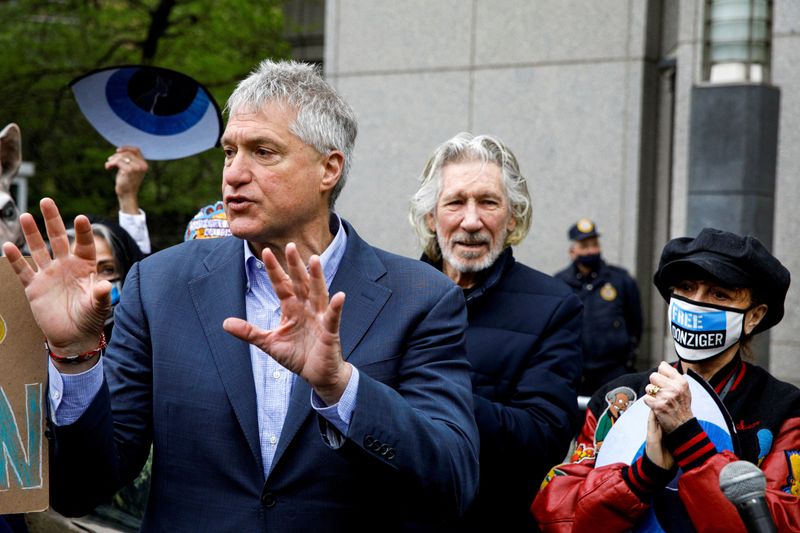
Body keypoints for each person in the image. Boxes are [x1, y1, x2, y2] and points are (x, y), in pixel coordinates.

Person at [2, 60, 480, 529]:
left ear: (328, 169)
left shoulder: (420, 298)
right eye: (229, 152)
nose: (233, 173)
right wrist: (75, 357)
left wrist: (341, 388)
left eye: (263, 152)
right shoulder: (160, 286)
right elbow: (82, 490)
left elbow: (451, 483)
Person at [532, 228, 800, 532]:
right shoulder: (618, 398)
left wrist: (690, 440)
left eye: (719, 293)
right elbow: (557, 515)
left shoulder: (784, 409)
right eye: (686, 288)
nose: (697, 303)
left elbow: (782, 523)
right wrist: (643, 474)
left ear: (754, 316)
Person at [409, 132, 582, 531]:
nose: (471, 221)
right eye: (455, 202)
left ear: (513, 217)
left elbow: (545, 437)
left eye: (488, 202)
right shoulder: (393, 292)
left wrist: (434, 395)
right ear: (432, 216)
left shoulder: (554, 305)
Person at [555, 218, 643, 396]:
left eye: (594, 245)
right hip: (575, 373)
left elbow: (635, 322)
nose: (590, 251)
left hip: (613, 371)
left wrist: (628, 356)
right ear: (573, 251)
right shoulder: (560, 283)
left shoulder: (620, 279)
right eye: (584, 246)